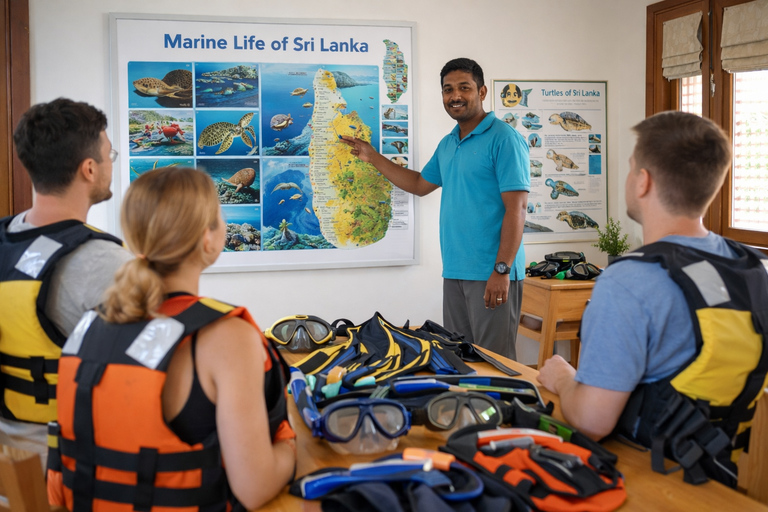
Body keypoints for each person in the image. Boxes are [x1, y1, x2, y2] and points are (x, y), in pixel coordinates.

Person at [537, 111, 768, 487]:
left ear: (643, 181)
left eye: (631, 168)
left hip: (656, 477)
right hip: (734, 476)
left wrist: (563, 378)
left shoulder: (629, 281)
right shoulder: (754, 267)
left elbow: (593, 423)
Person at [47, 167, 296, 511]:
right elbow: (254, 489)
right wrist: (291, 444)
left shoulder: (88, 325)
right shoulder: (226, 337)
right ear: (208, 239)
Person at [340, 58, 530, 360]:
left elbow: (517, 209)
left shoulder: (504, 139)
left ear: (481, 92)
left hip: (492, 272)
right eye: (448, 89)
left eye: (464, 88)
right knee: (460, 360)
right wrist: (372, 156)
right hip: (455, 270)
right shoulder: (448, 143)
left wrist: (501, 270)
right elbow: (418, 184)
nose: (455, 96)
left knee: (495, 363)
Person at [0, 98, 131, 462]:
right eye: (110, 155)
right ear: (89, 169)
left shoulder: (4, 239)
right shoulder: (104, 262)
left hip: (9, 466)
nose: (110, 163)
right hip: (71, 470)